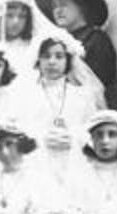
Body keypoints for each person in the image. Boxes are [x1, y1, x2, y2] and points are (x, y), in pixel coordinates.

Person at [11, 34, 103, 187]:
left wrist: (74, 137)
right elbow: (16, 130)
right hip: (36, 165)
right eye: (46, 56)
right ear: (37, 61)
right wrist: (40, 138)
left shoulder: (82, 96)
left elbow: (92, 131)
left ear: (68, 61)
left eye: (59, 56)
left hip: (74, 164)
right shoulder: (24, 94)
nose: (52, 62)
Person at [34, 0, 116, 90]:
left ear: (82, 7)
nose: (57, 10)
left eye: (63, 4)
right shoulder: (56, 41)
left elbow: (101, 82)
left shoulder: (96, 39)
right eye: (54, 6)